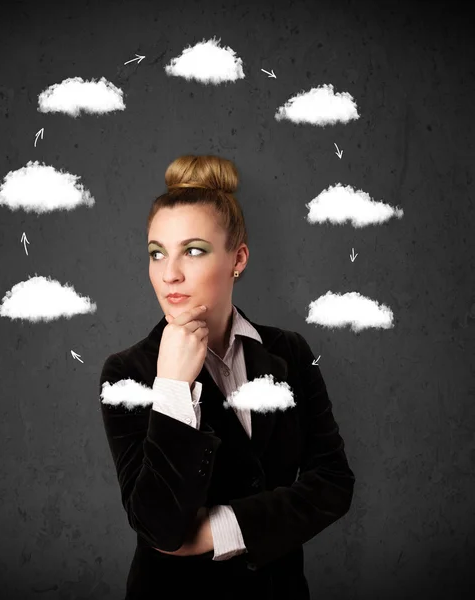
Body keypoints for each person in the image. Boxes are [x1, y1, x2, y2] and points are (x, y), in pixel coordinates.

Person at [99, 154, 355, 600]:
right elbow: (159, 526)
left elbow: (333, 483)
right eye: (156, 253)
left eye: (193, 250)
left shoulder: (289, 353)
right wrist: (174, 388)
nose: (169, 273)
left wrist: (224, 528)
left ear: (238, 258)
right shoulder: (127, 372)